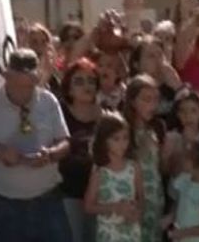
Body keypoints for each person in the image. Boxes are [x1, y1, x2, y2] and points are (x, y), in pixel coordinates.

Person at [0, 48, 72, 242]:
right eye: (18, 85)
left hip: (48, 200)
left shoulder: (48, 101)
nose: (24, 91)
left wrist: (50, 154)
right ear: (7, 77)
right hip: (8, 205)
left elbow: (64, 142)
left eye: (29, 85)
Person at [59, 57, 102, 242]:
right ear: (68, 87)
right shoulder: (59, 111)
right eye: (79, 81)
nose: (87, 86)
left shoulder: (105, 114)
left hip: (100, 197)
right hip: (69, 193)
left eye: (92, 81)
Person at [84, 111, 143, 242]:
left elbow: (141, 198)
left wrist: (137, 213)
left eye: (125, 138)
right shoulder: (99, 171)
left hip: (130, 232)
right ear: (104, 141)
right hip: (108, 233)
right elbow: (88, 206)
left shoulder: (133, 167)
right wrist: (114, 208)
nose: (122, 143)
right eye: (116, 139)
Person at [124, 74, 165, 242]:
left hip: (155, 197)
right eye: (146, 99)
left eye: (155, 100)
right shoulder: (124, 130)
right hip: (133, 197)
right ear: (133, 101)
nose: (152, 105)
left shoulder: (155, 129)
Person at [161, 87, 199, 178]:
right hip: (179, 188)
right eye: (183, 111)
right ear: (177, 114)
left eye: (193, 111)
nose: (188, 116)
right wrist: (166, 157)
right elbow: (164, 170)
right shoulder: (172, 138)